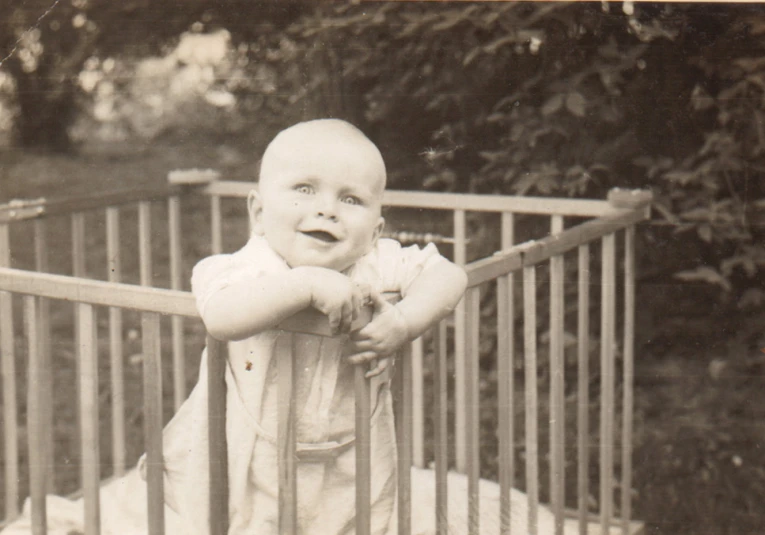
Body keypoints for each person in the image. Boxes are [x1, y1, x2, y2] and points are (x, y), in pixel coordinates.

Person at [156, 118, 467, 535]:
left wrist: (405, 322)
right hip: (252, 449)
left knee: (360, 518)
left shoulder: (378, 263)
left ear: (375, 232)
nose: (327, 209)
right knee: (250, 522)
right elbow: (222, 316)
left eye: (352, 199)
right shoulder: (245, 267)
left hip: (352, 446)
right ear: (259, 213)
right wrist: (305, 284)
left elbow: (449, 274)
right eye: (304, 189)